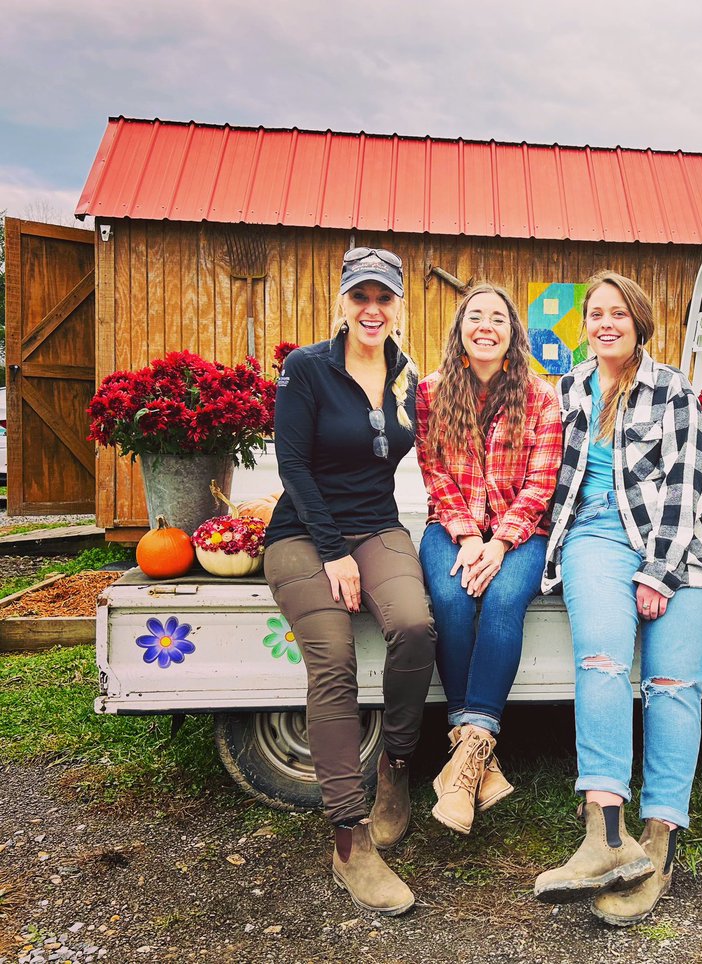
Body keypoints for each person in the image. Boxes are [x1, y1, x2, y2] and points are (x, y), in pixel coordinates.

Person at [533, 271, 702, 925]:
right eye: (596, 314)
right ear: (584, 326)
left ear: (639, 323)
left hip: (681, 551)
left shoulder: (673, 390)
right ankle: (603, 835)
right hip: (593, 539)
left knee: (673, 684)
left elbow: (689, 485)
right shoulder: (567, 390)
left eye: (619, 313)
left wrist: (657, 574)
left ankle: (658, 842)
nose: (606, 323)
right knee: (603, 663)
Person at [264, 247, 435, 916]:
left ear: (398, 307)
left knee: (416, 626)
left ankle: (396, 766)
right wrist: (333, 551)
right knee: (332, 658)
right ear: (341, 302)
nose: (372, 309)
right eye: (360, 296)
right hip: (303, 534)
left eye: (384, 298)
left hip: (377, 526)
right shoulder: (306, 368)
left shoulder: (405, 373)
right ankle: (349, 841)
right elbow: (294, 468)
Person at [415, 284, 562, 834]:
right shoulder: (430, 392)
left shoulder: (541, 398)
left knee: (501, 599)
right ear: (459, 329)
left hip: (521, 533)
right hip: (450, 528)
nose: (485, 326)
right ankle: (479, 758)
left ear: (512, 334)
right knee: (451, 599)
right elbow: (435, 473)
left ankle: (463, 761)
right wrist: (466, 537)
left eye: (497, 318)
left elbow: (540, 484)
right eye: (474, 316)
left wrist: (499, 543)